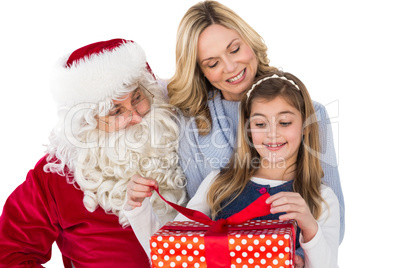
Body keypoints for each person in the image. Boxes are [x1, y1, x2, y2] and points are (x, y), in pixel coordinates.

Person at [168, 0, 344, 245]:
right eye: (213, 63)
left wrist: (301, 255)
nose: (230, 67)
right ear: (200, 71)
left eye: (235, 49)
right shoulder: (193, 127)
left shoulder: (312, 113)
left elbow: (334, 225)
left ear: (249, 41)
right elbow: (197, 221)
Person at [0, 38, 186, 267]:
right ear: (87, 123)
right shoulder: (56, 176)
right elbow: (10, 253)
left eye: (137, 98)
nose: (137, 118)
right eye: (116, 112)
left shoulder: (182, 137)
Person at [125, 70, 340, 268]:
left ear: (305, 126)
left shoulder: (321, 198)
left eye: (284, 122)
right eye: (260, 124)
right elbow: (168, 254)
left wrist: (310, 227)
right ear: (248, 130)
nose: (272, 134)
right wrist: (138, 208)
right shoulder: (218, 183)